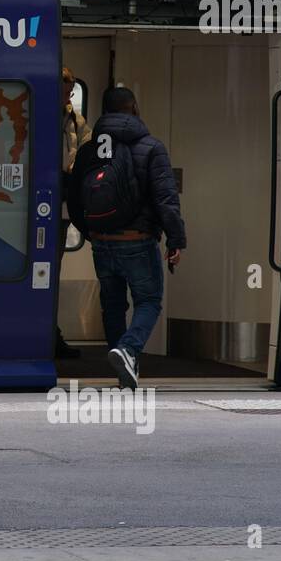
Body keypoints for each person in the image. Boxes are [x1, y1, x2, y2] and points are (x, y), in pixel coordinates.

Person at [67, 86, 186, 390]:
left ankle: (125, 370)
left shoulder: (87, 150)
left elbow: (74, 198)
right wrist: (176, 240)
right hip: (138, 240)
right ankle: (128, 350)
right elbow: (165, 199)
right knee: (149, 300)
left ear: (104, 112)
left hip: (102, 241)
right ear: (134, 107)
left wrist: (92, 233)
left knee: (113, 304)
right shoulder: (151, 147)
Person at [55, 66, 92, 360]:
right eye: (64, 90)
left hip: (63, 198)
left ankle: (50, 333)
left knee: (52, 272)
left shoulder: (76, 122)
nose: (66, 96)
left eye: (69, 92)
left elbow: (87, 152)